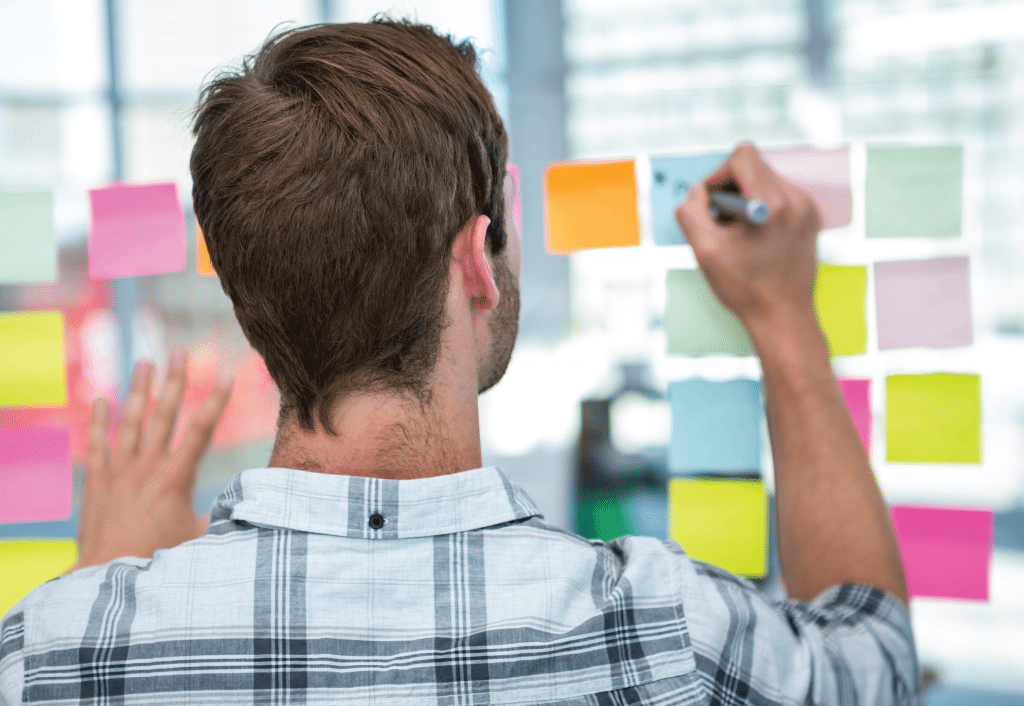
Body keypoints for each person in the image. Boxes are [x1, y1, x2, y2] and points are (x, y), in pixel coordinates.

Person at [0, 18, 920, 705]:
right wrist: (785, 320)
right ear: (479, 259)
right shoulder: (665, 631)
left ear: (248, 288)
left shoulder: (46, 654)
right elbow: (873, 658)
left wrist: (101, 597)